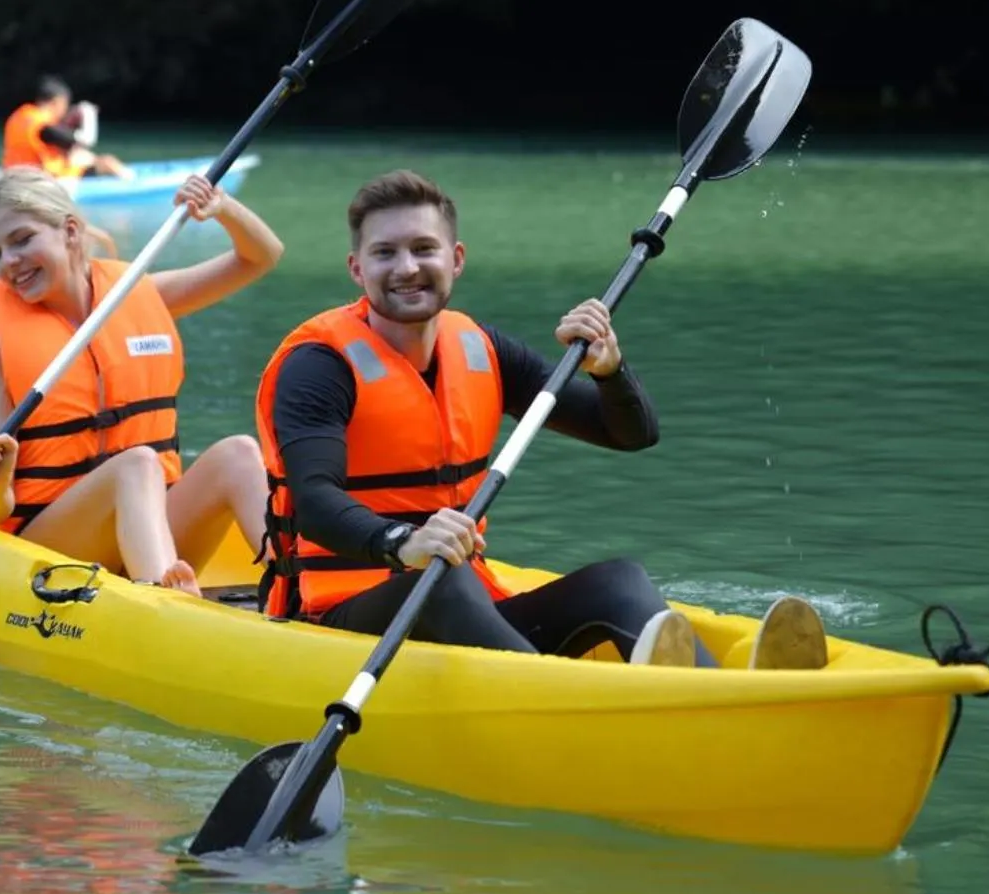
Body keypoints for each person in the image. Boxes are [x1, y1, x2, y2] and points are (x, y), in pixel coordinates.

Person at [253, 169, 828, 670]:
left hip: (464, 599)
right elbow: (315, 503)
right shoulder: (320, 366)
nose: (407, 268)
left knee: (618, 580)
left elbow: (630, 434)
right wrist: (403, 542)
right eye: (385, 253)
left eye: (424, 249)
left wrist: (611, 371)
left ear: (455, 259)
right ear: (357, 268)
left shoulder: (481, 349)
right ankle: (586, 703)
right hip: (336, 616)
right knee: (440, 587)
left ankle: (714, 694)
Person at [0, 167, 280, 595]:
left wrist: (222, 209)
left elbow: (261, 256)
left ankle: (300, 584)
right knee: (137, 463)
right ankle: (163, 604)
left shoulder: (140, 294)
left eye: (22, 240)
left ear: (70, 231)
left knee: (239, 454)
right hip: (51, 544)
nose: (9, 262)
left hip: (149, 522)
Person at [1, 76, 128, 178]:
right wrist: (88, 114)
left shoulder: (20, 115)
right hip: (44, 178)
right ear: (57, 102)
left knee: (81, 155)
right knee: (106, 162)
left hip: (13, 174)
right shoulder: (45, 128)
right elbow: (87, 141)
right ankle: (130, 181)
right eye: (65, 104)